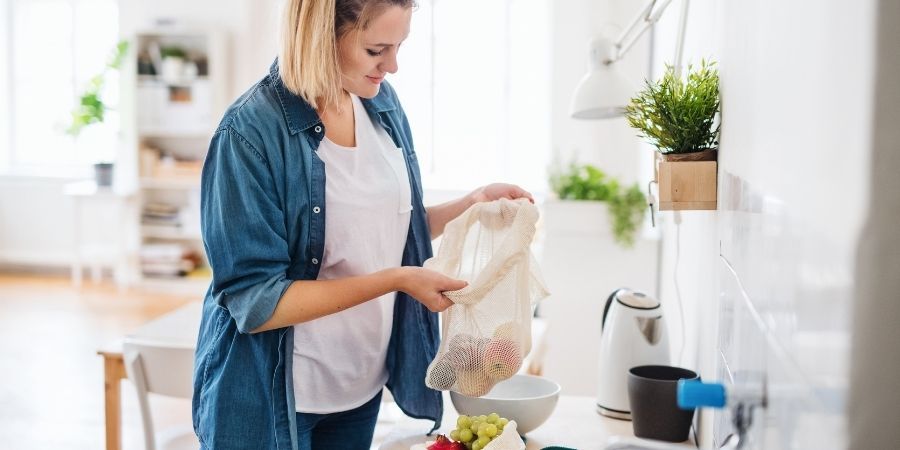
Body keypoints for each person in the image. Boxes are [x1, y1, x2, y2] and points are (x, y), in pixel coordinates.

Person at [192, 0, 534, 448]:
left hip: (359, 386)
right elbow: (256, 303)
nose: (392, 66)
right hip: (273, 397)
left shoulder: (380, 104)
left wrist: (471, 204)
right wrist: (397, 280)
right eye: (377, 50)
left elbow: (385, 231)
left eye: (398, 47)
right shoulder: (249, 133)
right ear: (321, 37)